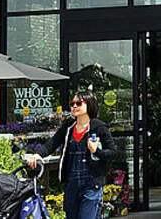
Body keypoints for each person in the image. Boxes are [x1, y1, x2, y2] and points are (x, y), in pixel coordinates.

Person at [25, 91, 116, 219]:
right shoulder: (68, 127)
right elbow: (52, 144)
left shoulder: (99, 127)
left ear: (89, 104)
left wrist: (97, 151)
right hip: (72, 184)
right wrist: (37, 155)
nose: (74, 106)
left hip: (91, 184)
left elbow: (112, 152)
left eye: (78, 103)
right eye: (72, 103)